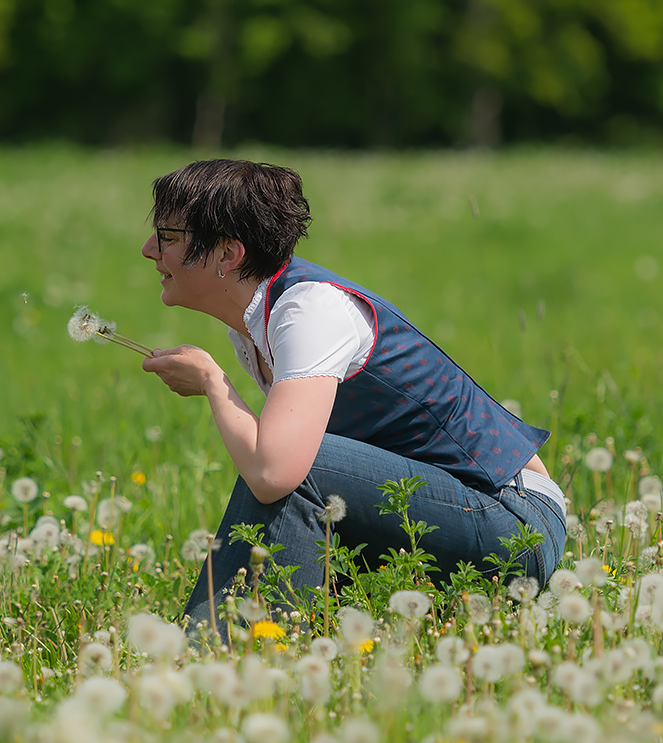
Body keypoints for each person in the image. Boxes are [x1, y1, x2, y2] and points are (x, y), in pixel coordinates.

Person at [139, 159, 567, 639]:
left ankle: (218, 648)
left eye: (169, 237)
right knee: (295, 464)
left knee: (296, 463)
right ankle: (258, 645)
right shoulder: (255, 324)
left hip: (512, 522)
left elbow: (274, 473)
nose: (149, 250)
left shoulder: (309, 310)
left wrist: (214, 384)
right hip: (444, 519)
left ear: (228, 253)